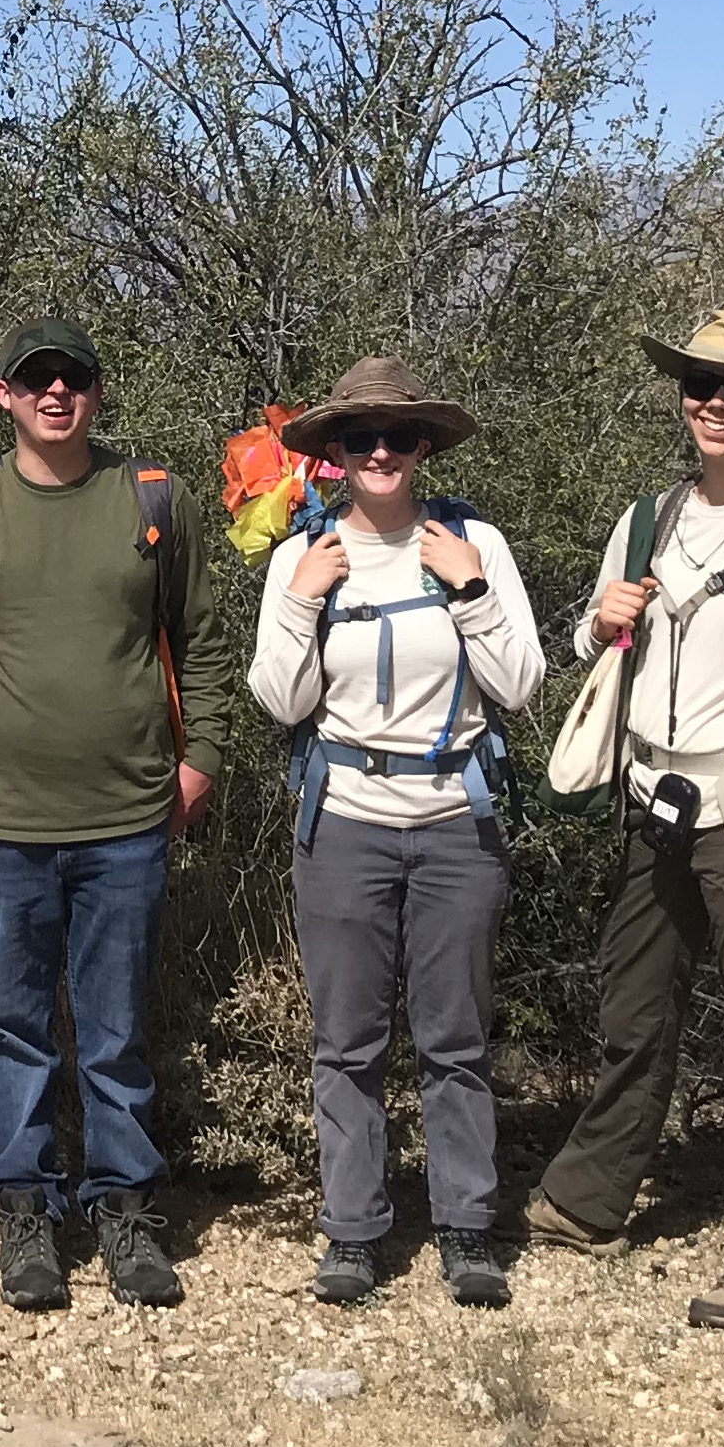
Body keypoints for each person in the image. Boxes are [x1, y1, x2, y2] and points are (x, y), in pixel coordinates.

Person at [0, 317, 236, 1313]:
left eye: (71, 378)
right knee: (15, 1026)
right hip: (1, 819)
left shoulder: (153, 498)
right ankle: (26, 1212)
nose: (54, 394)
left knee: (117, 1027)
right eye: (34, 379)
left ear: (95, 391)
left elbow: (203, 641)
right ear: (3, 394)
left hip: (129, 814)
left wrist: (201, 762)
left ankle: (124, 1210)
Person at [525, 312, 724, 1332]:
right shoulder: (649, 519)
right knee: (634, 1008)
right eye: (699, 383)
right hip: (654, 805)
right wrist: (597, 622)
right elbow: (589, 642)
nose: (714, 403)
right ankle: (589, 1200)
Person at [244, 358, 547, 1309]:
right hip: (343, 826)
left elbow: (520, 683)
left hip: (457, 822)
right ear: (333, 453)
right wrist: (303, 598)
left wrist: (471, 589)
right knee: (347, 1041)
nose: (380, 453)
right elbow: (280, 699)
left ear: (424, 447)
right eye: (359, 438)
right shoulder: (303, 555)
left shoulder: (473, 544)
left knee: (456, 1038)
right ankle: (353, 1230)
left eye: (399, 436)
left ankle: (466, 1226)